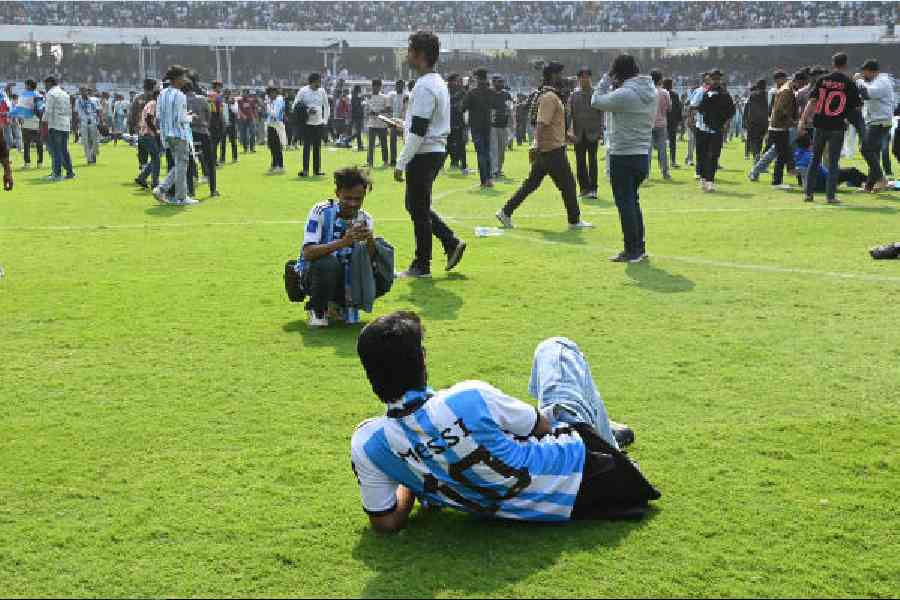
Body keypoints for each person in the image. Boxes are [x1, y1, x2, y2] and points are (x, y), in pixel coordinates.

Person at [350, 311, 659, 531]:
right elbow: (542, 427)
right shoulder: (468, 397)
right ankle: (611, 440)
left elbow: (386, 521)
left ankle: (608, 431)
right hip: (597, 475)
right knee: (556, 350)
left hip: (517, 509)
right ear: (423, 359)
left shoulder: (369, 442)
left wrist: (411, 476)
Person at [392, 31, 467, 279]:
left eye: (411, 51)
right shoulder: (436, 82)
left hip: (424, 153)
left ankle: (422, 264)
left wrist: (401, 162)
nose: (408, 56)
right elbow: (422, 125)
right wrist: (402, 126)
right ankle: (449, 242)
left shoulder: (424, 86)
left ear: (421, 55)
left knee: (419, 209)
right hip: (432, 150)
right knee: (415, 205)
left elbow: (420, 130)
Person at [496, 62, 592, 231]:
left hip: (548, 149)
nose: (562, 78)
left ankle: (505, 211)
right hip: (551, 150)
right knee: (568, 185)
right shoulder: (549, 97)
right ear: (553, 76)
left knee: (531, 184)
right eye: (559, 74)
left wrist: (566, 136)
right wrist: (537, 147)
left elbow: (551, 124)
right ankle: (574, 221)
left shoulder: (551, 96)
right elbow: (541, 124)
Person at [590, 54, 655, 262]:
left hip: (623, 154)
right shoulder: (650, 90)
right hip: (642, 152)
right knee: (632, 201)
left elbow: (596, 101)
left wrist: (606, 79)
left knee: (625, 204)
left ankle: (632, 250)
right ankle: (639, 247)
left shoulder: (625, 94)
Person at [295, 166, 377, 327]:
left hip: (347, 277)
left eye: (358, 199)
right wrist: (343, 242)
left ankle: (341, 304)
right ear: (337, 193)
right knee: (327, 264)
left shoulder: (365, 219)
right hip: (314, 274)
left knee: (382, 267)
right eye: (347, 198)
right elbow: (308, 253)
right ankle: (317, 309)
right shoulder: (321, 211)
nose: (353, 204)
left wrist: (370, 240)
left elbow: (370, 260)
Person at [797, 53, 863, 204]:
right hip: (837, 126)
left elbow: (812, 102)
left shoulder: (822, 80)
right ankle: (830, 196)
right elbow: (857, 107)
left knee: (815, 159)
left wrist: (802, 120)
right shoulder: (848, 82)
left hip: (820, 124)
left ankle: (808, 194)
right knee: (833, 163)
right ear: (846, 64)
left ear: (833, 64)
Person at [154, 66, 196, 205]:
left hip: (166, 134)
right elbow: (181, 118)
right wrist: (190, 117)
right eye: (183, 77)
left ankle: (161, 189)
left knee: (179, 164)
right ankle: (181, 197)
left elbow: (158, 116)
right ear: (177, 79)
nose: (185, 80)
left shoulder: (162, 94)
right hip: (179, 133)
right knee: (182, 164)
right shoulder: (180, 95)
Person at [691, 69, 735, 193]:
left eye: (717, 78)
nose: (715, 81)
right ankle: (703, 179)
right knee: (703, 155)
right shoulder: (705, 93)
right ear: (709, 79)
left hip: (717, 129)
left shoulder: (725, 95)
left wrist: (726, 122)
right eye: (713, 78)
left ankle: (710, 181)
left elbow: (731, 111)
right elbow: (702, 108)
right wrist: (694, 111)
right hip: (704, 128)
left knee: (714, 155)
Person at [855, 59, 895, 193]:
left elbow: (867, 94)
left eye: (865, 72)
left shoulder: (881, 81)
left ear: (873, 71)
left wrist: (859, 81)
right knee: (874, 153)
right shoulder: (876, 81)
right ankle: (869, 186)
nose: (863, 74)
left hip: (880, 121)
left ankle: (881, 179)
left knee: (865, 149)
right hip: (878, 121)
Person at [568, 67, 604, 199]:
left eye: (587, 77)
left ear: (590, 78)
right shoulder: (574, 95)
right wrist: (568, 132)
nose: (585, 79)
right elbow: (569, 114)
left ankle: (593, 189)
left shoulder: (596, 93)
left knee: (592, 161)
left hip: (593, 132)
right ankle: (583, 188)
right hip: (578, 134)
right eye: (582, 77)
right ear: (578, 79)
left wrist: (601, 131)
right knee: (580, 162)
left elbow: (601, 114)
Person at [794, 133, 866, 191]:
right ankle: (870, 181)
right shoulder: (810, 156)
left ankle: (862, 184)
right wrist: (832, 175)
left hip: (809, 183)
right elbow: (823, 172)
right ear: (809, 144)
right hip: (822, 182)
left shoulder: (796, 154)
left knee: (849, 173)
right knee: (852, 171)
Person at [186, 78, 218, 198]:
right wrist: (205, 124)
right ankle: (213, 189)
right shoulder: (202, 99)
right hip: (203, 131)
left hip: (189, 132)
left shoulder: (183, 100)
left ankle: (191, 190)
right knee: (210, 162)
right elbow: (209, 115)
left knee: (190, 161)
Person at [462, 68, 494, 188]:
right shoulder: (491, 92)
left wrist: (465, 91)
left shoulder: (472, 92)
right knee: (486, 152)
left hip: (476, 126)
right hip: (487, 125)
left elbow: (462, 108)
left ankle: (484, 180)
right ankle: (489, 178)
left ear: (476, 78)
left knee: (481, 153)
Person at [295, 72, 329, 177]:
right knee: (306, 147)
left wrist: (325, 121)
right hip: (307, 124)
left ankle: (317, 170)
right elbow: (295, 105)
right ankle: (305, 170)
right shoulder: (303, 91)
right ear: (313, 82)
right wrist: (308, 110)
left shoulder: (322, 91)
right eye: (319, 81)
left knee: (317, 148)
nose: (320, 83)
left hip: (319, 123)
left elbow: (327, 107)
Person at [42, 76, 74, 182]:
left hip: (55, 124)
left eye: (45, 84)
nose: (45, 87)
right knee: (64, 150)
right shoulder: (65, 94)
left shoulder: (51, 93)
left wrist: (43, 122)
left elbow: (48, 110)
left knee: (56, 151)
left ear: (50, 83)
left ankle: (57, 174)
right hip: (65, 124)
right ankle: (70, 172)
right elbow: (69, 110)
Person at [134, 88, 161, 190]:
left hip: (145, 134)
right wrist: (156, 132)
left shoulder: (150, 103)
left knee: (155, 158)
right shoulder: (154, 104)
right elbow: (148, 118)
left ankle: (142, 177)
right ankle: (155, 183)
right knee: (156, 159)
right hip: (148, 134)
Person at [649, 69, 671, 180]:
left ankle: (646, 173)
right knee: (662, 149)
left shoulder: (648, 92)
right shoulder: (664, 92)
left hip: (649, 124)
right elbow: (668, 108)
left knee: (647, 150)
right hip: (661, 123)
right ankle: (665, 172)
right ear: (660, 79)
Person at [130, 78, 156, 168]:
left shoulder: (138, 97)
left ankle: (143, 166)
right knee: (154, 149)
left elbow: (133, 113)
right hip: (153, 126)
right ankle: (150, 168)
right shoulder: (156, 97)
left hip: (141, 127)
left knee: (142, 148)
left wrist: (133, 125)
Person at [18, 79, 43, 171]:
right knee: (39, 144)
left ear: (28, 85)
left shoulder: (24, 96)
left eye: (25, 85)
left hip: (27, 122)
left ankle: (27, 163)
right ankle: (40, 163)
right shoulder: (39, 96)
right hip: (36, 122)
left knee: (26, 144)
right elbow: (41, 110)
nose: (25, 86)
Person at [489, 76, 512, 179]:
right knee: (494, 149)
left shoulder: (506, 95)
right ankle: (494, 171)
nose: (501, 84)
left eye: (502, 82)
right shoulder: (490, 94)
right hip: (493, 125)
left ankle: (498, 169)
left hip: (504, 125)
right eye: (499, 82)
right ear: (494, 83)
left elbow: (510, 107)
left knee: (502, 149)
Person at [366, 79, 391, 168]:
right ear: (372, 86)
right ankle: (369, 162)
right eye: (374, 86)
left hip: (382, 124)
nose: (375, 88)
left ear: (380, 87)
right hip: (372, 124)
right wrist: (370, 113)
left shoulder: (385, 97)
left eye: (377, 86)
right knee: (371, 144)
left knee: (383, 143)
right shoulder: (369, 97)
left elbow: (388, 109)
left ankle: (385, 161)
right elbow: (367, 109)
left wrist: (378, 112)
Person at [446, 74, 468, 174]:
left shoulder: (461, 92)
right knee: (447, 146)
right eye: (456, 81)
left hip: (458, 122)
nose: (458, 83)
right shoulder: (445, 91)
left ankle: (463, 165)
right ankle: (453, 163)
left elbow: (463, 106)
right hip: (447, 123)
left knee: (460, 145)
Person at [744, 79, 769, 163]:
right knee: (760, 140)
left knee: (753, 140)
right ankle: (757, 155)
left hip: (753, 121)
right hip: (764, 121)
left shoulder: (752, 95)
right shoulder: (767, 95)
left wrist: (747, 120)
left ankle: (756, 155)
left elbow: (750, 109)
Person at [73, 87, 100, 165]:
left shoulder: (94, 100)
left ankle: (93, 155)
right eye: (81, 91)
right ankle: (89, 159)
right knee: (85, 141)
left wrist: (101, 121)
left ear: (87, 92)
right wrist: (75, 124)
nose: (82, 93)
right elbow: (75, 112)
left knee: (94, 140)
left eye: (84, 91)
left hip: (93, 122)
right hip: (83, 122)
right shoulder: (78, 101)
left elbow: (98, 111)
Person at [265, 86, 285, 174]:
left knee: (277, 146)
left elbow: (275, 114)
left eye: (271, 93)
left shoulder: (279, 100)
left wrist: (268, 106)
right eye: (269, 94)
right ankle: (274, 164)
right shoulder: (272, 101)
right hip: (271, 125)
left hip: (277, 125)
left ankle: (280, 166)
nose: (270, 95)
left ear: (275, 92)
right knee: (272, 146)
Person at [662, 78, 681, 169]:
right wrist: (679, 121)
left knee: (663, 143)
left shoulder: (660, 94)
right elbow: (678, 109)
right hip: (670, 122)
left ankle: (665, 162)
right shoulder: (674, 95)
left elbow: (678, 108)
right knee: (672, 143)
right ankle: (672, 161)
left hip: (664, 121)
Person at [388, 79, 406, 166]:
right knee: (392, 141)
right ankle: (393, 160)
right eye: (397, 85)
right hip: (394, 122)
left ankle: (405, 160)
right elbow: (390, 107)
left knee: (406, 142)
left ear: (403, 86)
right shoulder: (392, 95)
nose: (398, 87)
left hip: (404, 122)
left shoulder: (406, 95)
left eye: (400, 85)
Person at [219, 90, 238, 164]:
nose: (226, 96)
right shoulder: (221, 102)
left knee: (233, 141)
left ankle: (235, 157)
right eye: (225, 94)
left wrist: (230, 104)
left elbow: (235, 111)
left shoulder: (233, 101)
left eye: (228, 94)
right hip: (223, 124)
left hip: (231, 124)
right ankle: (222, 158)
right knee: (223, 142)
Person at [236, 89, 256, 153]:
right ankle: (245, 148)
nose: (245, 94)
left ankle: (252, 148)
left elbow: (254, 109)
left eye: (246, 93)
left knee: (252, 133)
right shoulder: (240, 101)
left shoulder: (251, 101)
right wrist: (243, 115)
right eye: (244, 93)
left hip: (251, 119)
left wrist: (255, 116)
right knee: (244, 134)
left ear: (248, 94)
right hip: (243, 119)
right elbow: (239, 109)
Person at [349, 85, 365, 152]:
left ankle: (359, 145)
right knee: (358, 132)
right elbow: (356, 106)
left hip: (358, 116)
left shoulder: (356, 97)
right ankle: (358, 145)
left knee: (359, 131)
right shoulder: (355, 97)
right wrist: (362, 105)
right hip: (357, 116)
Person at [0, 120, 13, 190]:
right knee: (6, 166)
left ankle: (8, 180)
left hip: (2, 146)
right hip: (3, 146)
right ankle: (8, 180)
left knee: (6, 165)